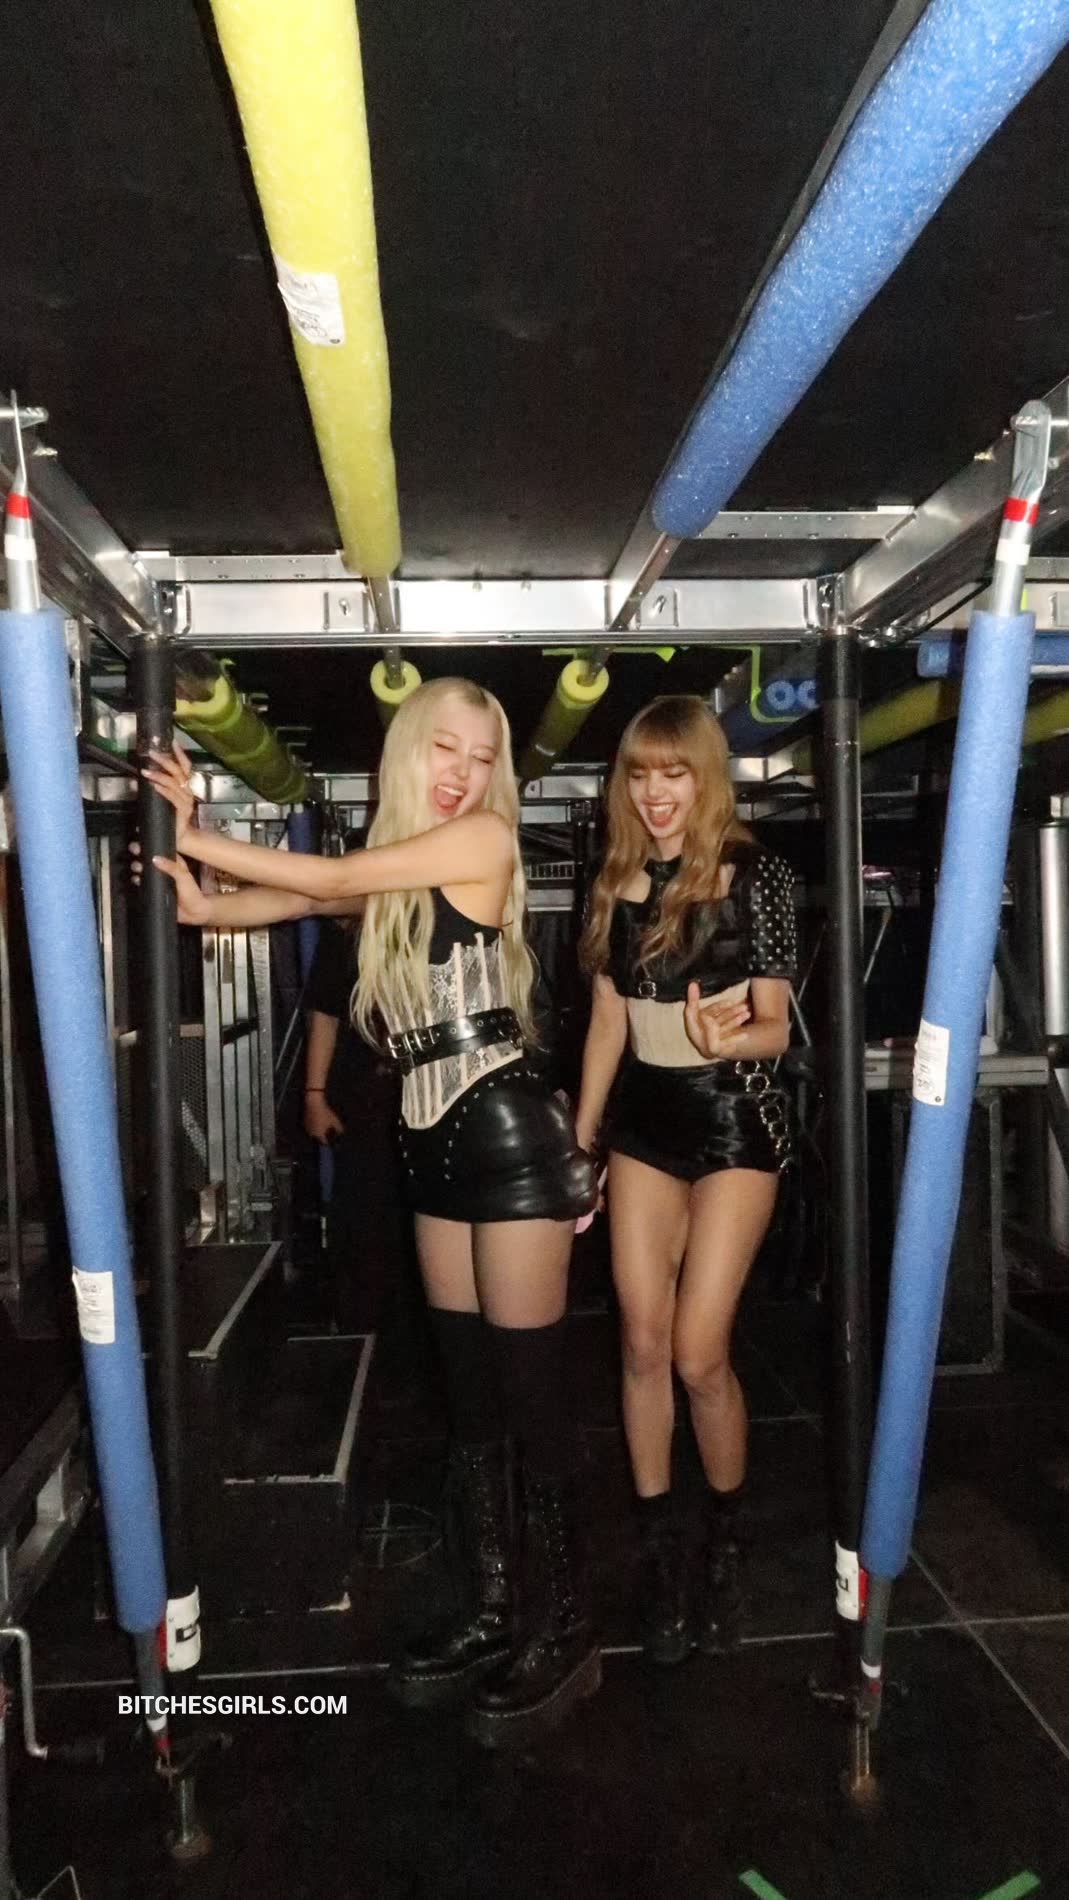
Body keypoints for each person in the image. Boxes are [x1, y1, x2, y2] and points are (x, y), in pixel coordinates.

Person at [144, 678, 600, 1746]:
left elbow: (331, 876)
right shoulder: (406, 862)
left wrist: (200, 833)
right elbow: (311, 903)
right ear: (406, 752)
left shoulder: (481, 840)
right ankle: (497, 1609)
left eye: (482, 757)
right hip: (433, 1148)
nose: (463, 773)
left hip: (509, 1143)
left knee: (528, 1398)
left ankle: (567, 1626)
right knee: (468, 1396)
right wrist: (204, 903)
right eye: (445, 748)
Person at [575, 695, 795, 1665]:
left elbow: (777, 1028)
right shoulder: (614, 880)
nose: (655, 793)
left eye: (673, 773)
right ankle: (662, 1547)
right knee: (641, 1339)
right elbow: (606, 1025)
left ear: (705, 776)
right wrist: (580, 1145)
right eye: (639, 775)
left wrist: (724, 1037)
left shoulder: (758, 875)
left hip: (735, 1115)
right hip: (645, 1125)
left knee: (700, 1352)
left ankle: (727, 1536)